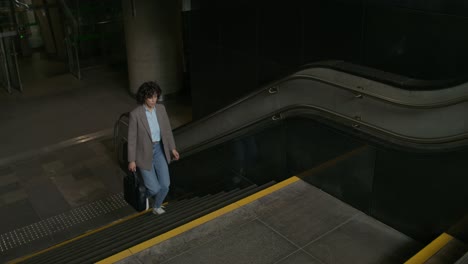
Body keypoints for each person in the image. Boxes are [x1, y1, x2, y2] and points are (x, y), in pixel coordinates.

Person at [127, 81, 180, 215]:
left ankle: (156, 206)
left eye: (155, 97)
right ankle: (144, 194)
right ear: (144, 97)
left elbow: (167, 131)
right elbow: (132, 139)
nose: (153, 100)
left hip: (159, 150)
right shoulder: (136, 114)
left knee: (165, 185)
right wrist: (131, 160)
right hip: (143, 154)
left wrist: (172, 148)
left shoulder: (161, 109)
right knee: (154, 189)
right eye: (150, 97)